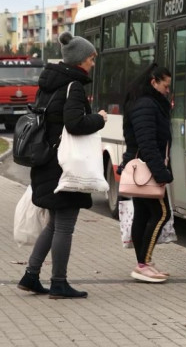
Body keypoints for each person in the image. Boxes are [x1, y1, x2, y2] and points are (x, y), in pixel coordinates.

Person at [17, 32, 107, 299]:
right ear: (80, 60)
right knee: (65, 224)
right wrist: (99, 119)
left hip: (46, 160)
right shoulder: (74, 86)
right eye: (91, 59)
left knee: (55, 223)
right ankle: (59, 282)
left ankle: (31, 276)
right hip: (64, 166)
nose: (93, 63)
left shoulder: (50, 84)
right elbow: (74, 124)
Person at [120, 63, 173, 283]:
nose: (167, 90)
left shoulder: (146, 103)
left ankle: (144, 263)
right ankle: (143, 263)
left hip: (143, 169)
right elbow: (147, 143)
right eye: (165, 86)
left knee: (143, 215)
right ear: (153, 82)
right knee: (162, 214)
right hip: (147, 171)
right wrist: (162, 174)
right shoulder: (146, 105)